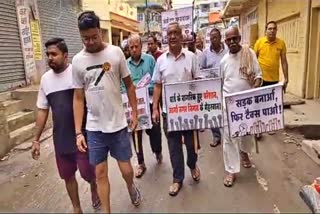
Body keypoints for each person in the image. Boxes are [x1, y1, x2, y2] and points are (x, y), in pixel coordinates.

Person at [72, 11, 141, 213]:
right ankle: (107, 210)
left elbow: (129, 85)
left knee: (126, 170)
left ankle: (130, 186)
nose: (90, 41)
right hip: (94, 128)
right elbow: (78, 97)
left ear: (100, 31)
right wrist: (78, 132)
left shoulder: (116, 53)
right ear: (80, 35)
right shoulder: (77, 61)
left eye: (94, 36)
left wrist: (135, 114)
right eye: (85, 38)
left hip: (118, 124)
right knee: (100, 172)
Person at [32, 38, 100, 213]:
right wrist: (36, 140)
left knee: (87, 172)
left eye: (54, 54)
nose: (50, 58)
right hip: (61, 139)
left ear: (66, 55)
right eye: (48, 55)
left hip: (82, 136)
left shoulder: (77, 73)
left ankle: (94, 186)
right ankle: (76, 208)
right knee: (67, 176)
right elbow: (42, 110)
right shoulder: (46, 80)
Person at [152, 22, 201, 197]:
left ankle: (193, 165)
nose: (172, 36)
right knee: (173, 147)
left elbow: (200, 82)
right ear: (167, 37)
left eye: (175, 33)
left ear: (181, 36)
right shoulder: (160, 61)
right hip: (169, 113)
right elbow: (157, 85)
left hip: (189, 111)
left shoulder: (191, 57)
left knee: (191, 144)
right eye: (169, 33)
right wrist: (155, 109)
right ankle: (177, 179)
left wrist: (201, 109)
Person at [221, 27, 262, 187]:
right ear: (226, 42)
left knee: (246, 133)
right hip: (229, 106)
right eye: (229, 39)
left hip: (247, 105)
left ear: (239, 38)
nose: (232, 42)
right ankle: (231, 170)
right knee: (229, 138)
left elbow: (258, 75)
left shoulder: (249, 54)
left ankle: (244, 154)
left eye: (234, 38)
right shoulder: (223, 61)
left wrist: (255, 86)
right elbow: (221, 83)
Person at [126, 34, 163, 178]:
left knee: (154, 131)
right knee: (136, 133)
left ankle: (158, 150)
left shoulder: (150, 60)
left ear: (141, 47)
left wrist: (143, 88)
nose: (134, 49)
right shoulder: (125, 64)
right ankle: (140, 163)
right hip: (132, 107)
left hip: (149, 103)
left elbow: (156, 81)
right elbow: (123, 86)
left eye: (136, 46)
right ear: (128, 49)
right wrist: (131, 90)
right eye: (131, 47)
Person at [200, 28, 228, 147]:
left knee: (226, 111)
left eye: (215, 37)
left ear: (220, 37)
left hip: (226, 86)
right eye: (211, 38)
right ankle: (216, 136)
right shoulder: (206, 53)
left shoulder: (227, 51)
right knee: (212, 112)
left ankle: (228, 134)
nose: (213, 40)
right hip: (211, 89)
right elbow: (201, 69)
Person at [254, 21, 288, 90]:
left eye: (274, 29)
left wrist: (286, 77)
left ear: (276, 30)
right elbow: (253, 60)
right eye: (270, 29)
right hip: (261, 79)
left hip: (274, 79)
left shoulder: (281, 43)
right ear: (265, 30)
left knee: (273, 100)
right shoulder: (259, 42)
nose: (272, 31)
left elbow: (284, 62)